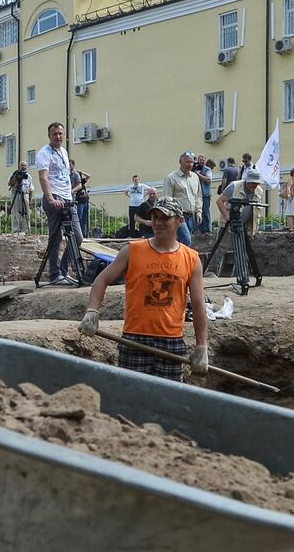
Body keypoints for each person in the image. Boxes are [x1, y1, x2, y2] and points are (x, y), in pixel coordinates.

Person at [79, 197, 209, 382]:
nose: (158, 222)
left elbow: (198, 306)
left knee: (166, 400)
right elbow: (101, 280)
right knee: (131, 397)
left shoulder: (191, 259)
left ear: (180, 220)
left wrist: (201, 346)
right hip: (134, 339)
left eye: (165, 217)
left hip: (171, 341)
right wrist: (92, 311)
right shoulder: (132, 251)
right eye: (155, 217)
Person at [33, 122, 82, 284]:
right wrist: (50, 199)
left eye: (61, 133)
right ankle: (54, 274)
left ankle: (63, 270)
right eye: (55, 134)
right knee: (56, 238)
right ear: (49, 136)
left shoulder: (64, 152)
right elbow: (43, 177)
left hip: (67, 198)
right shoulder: (44, 153)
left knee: (78, 236)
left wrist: (69, 196)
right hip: (54, 198)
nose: (58, 136)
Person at [218, 168, 266, 289]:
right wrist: (226, 215)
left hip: (243, 224)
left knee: (243, 250)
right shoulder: (234, 186)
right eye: (252, 183)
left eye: (256, 183)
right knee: (221, 248)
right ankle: (210, 273)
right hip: (229, 223)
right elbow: (220, 201)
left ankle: (245, 274)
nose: (254, 185)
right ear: (246, 180)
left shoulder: (258, 190)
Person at [162, 152, 200, 245]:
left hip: (191, 215)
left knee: (184, 243)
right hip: (178, 216)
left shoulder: (195, 177)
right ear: (180, 162)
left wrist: (199, 211)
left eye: (192, 162)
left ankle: (180, 259)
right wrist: (173, 216)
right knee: (187, 241)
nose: (190, 165)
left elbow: (198, 196)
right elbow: (167, 199)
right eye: (187, 162)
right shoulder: (171, 178)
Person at [6, 162, 32, 229]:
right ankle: (16, 229)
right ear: (19, 166)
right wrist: (16, 175)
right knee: (15, 211)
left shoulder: (28, 176)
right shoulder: (14, 174)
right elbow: (9, 183)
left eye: (25, 165)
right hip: (16, 194)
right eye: (22, 165)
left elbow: (31, 188)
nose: (23, 167)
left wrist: (30, 199)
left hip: (25, 194)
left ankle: (26, 229)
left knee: (26, 211)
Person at [194, 155, 214, 233]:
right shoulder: (195, 169)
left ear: (205, 161)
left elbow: (209, 180)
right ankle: (201, 230)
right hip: (196, 195)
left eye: (203, 160)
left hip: (205, 194)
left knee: (206, 212)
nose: (201, 161)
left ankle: (208, 230)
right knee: (198, 213)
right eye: (200, 160)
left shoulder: (207, 170)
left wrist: (198, 174)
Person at [71, 164, 91, 234]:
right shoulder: (73, 181)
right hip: (79, 201)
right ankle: (79, 233)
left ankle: (84, 233)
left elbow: (89, 176)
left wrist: (82, 172)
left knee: (84, 219)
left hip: (85, 201)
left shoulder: (82, 180)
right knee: (79, 218)